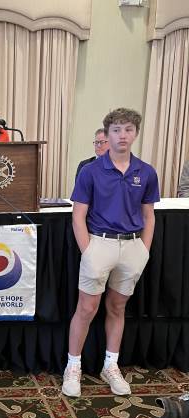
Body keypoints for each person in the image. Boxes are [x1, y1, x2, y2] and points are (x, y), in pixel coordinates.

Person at [62, 108, 160, 398]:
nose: (122, 135)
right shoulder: (91, 171)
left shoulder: (146, 172)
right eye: (117, 130)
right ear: (107, 134)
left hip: (132, 246)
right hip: (99, 243)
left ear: (135, 134)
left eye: (128, 129)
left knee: (117, 308)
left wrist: (143, 249)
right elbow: (77, 215)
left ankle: (111, 365)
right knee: (87, 308)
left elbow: (149, 215)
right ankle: (73, 367)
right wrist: (88, 251)